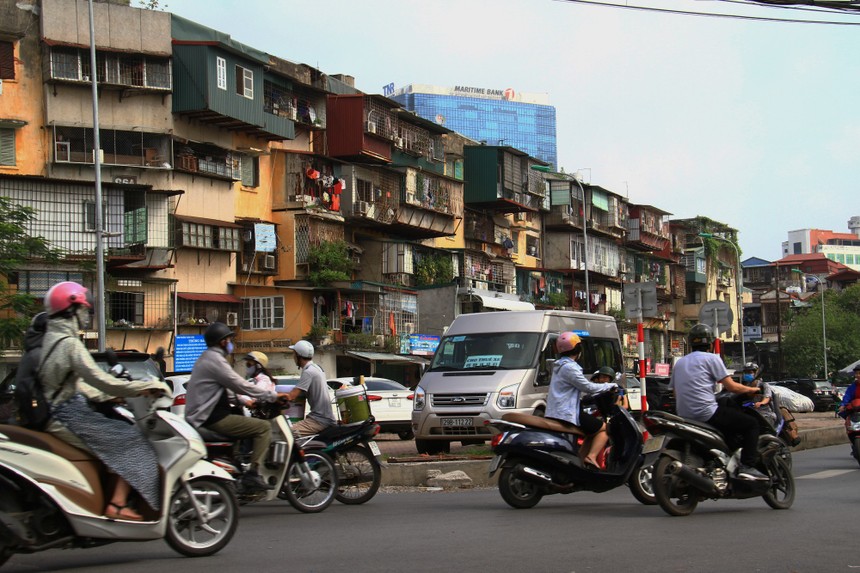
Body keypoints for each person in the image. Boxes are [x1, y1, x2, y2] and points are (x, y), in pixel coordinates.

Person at [38, 281, 171, 521]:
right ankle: (118, 504)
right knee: (132, 440)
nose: (86, 317)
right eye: (83, 311)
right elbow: (101, 379)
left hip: (58, 410)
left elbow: (78, 384)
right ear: (71, 310)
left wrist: (110, 396)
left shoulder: (50, 339)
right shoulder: (69, 345)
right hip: (66, 415)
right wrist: (146, 386)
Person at [184, 322, 283, 491]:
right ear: (223, 342)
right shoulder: (215, 360)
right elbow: (239, 384)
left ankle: (235, 465)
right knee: (263, 428)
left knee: (241, 422)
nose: (231, 343)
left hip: (204, 416)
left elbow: (225, 390)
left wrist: (245, 402)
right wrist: (273, 396)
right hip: (211, 417)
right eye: (229, 339)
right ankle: (253, 474)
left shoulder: (205, 358)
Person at [670, 324, 765, 480]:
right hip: (707, 413)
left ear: (690, 343)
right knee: (751, 424)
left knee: (725, 409)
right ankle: (747, 466)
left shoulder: (679, 363)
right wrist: (751, 390)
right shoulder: (712, 358)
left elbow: (675, 393)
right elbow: (732, 387)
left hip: (684, 415)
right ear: (711, 343)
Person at [545, 332, 617, 469]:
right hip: (566, 412)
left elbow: (573, 389)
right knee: (605, 429)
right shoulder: (570, 368)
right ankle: (591, 457)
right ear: (578, 350)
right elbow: (588, 387)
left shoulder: (559, 365)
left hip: (559, 410)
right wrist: (609, 385)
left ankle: (578, 462)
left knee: (591, 431)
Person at [281, 340, 336, 437]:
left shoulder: (308, 372)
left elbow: (291, 396)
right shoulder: (317, 368)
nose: (293, 357)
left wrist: (272, 396)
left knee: (286, 434)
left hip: (319, 420)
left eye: (294, 354)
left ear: (298, 356)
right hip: (322, 417)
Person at [240, 351, 278, 419]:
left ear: (258, 365)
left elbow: (255, 394)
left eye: (249, 364)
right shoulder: (252, 380)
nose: (247, 367)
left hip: (255, 414)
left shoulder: (264, 379)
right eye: (246, 364)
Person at [741, 362, 778, 428]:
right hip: (750, 414)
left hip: (765, 415)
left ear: (756, 373)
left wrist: (761, 403)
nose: (747, 374)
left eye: (750, 372)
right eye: (746, 372)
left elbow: (767, 397)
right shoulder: (744, 386)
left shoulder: (763, 385)